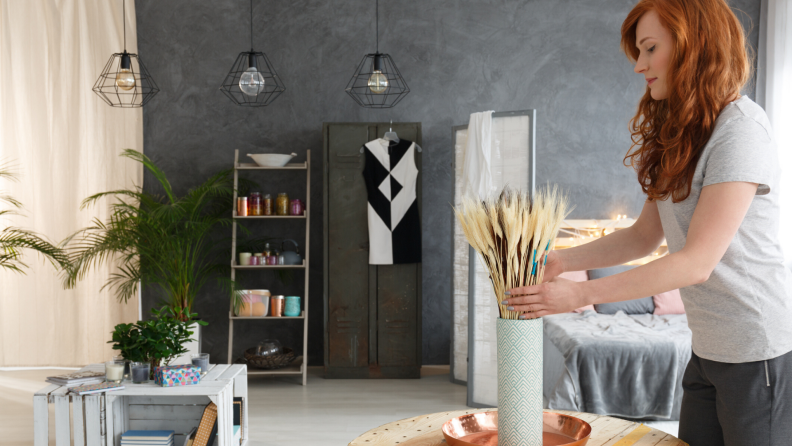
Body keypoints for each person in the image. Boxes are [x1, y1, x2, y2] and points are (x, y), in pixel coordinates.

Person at [501, 0, 792, 444]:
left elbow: (696, 263)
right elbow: (643, 236)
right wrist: (562, 260)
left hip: (757, 356)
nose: (639, 66)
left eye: (650, 48)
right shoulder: (680, 133)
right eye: (638, 52)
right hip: (707, 350)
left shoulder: (742, 130)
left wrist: (580, 293)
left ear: (693, 46)